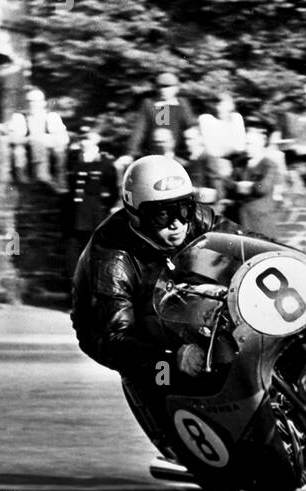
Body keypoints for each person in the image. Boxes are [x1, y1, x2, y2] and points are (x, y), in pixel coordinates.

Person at [71, 156, 246, 461]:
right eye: (161, 216)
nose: (177, 222)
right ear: (135, 215)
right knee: (168, 367)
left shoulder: (193, 217)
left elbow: (244, 242)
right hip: (135, 333)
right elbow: (111, 337)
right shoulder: (111, 258)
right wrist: (170, 355)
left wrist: (291, 261)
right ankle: (180, 441)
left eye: (183, 208)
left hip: (186, 298)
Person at [63, 123, 119, 281]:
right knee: (72, 257)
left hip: (95, 215)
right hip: (74, 215)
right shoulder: (72, 159)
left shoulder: (106, 163)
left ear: (96, 140)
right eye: (81, 139)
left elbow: (113, 191)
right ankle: (74, 298)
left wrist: (105, 210)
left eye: (87, 139)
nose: (84, 142)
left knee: (96, 256)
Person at [121, 71, 196, 165]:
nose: (163, 90)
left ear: (176, 88)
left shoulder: (181, 103)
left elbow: (191, 128)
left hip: (179, 155)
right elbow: (139, 130)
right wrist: (130, 153)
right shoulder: (152, 104)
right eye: (160, 87)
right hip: (155, 154)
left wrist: (195, 150)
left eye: (168, 87)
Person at [6, 87, 70, 186]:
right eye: (29, 101)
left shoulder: (52, 116)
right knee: (18, 150)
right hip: (28, 150)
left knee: (59, 149)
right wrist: (29, 139)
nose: (32, 104)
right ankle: (27, 180)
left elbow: (64, 139)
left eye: (36, 101)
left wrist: (46, 140)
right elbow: (12, 138)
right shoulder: (20, 117)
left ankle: (58, 180)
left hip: (49, 149)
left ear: (43, 103)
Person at [227, 124, 281, 238]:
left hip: (261, 223)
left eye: (250, 144)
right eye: (246, 144)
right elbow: (228, 185)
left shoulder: (269, 165)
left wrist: (245, 187)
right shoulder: (240, 164)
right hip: (241, 220)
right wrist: (242, 187)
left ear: (260, 145)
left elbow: (262, 188)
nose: (247, 148)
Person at [197, 92, 247, 162]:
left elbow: (241, 147)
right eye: (218, 105)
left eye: (224, 105)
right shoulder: (206, 119)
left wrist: (222, 148)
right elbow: (211, 151)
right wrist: (231, 147)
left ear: (232, 106)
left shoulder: (237, 118)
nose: (220, 108)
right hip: (214, 161)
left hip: (236, 160)